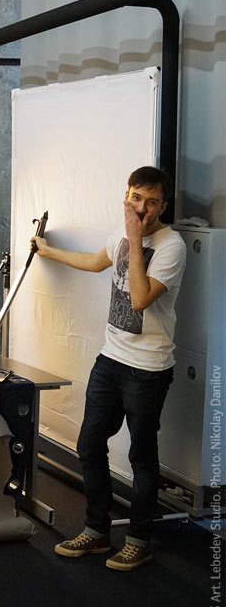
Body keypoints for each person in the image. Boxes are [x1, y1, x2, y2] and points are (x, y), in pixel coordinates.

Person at [34, 166, 186, 571]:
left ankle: (139, 541)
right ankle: (97, 531)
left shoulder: (171, 247)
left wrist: (135, 240)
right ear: (126, 196)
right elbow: (95, 261)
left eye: (151, 202)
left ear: (163, 207)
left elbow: (139, 299)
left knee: (141, 457)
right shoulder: (121, 234)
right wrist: (47, 251)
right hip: (111, 359)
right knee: (88, 445)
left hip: (147, 369)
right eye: (136, 198)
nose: (142, 209)